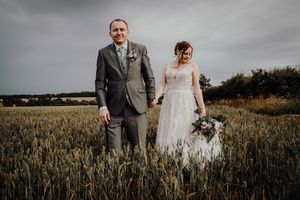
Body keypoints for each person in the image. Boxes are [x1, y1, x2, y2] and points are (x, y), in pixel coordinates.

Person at [153, 41, 221, 162]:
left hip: (185, 101)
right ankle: (169, 156)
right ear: (177, 52)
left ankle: (185, 157)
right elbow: (162, 85)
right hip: (169, 101)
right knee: (169, 126)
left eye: (190, 54)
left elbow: (196, 88)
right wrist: (157, 97)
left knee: (184, 127)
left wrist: (202, 108)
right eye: (185, 53)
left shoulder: (193, 66)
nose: (187, 56)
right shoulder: (166, 66)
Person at [95, 18, 156, 154]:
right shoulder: (103, 53)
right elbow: (100, 83)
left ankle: (139, 176)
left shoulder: (140, 49)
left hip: (137, 108)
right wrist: (103, 107)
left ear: (127, 32)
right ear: (109, 33)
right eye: (115, 30)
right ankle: (116, 175)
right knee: (114, 154)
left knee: (139, 151)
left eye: (122, 29)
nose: (119, 32)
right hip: (113, 110)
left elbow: (149, 76)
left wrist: (151, 96)